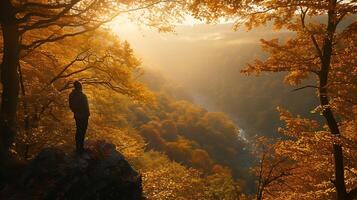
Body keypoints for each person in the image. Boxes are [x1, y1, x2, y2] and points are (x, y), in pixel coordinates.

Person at [69, 81, 90, 154]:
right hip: (84, 116)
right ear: (80, 87)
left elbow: (71, 106)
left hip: (77, 115)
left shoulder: (71, 95)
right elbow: (86, 107)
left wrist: (75, 111)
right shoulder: (82, 95)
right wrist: (87, 115)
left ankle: (78, 147)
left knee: (78, 130)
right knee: (82, 131)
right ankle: (80, 148)